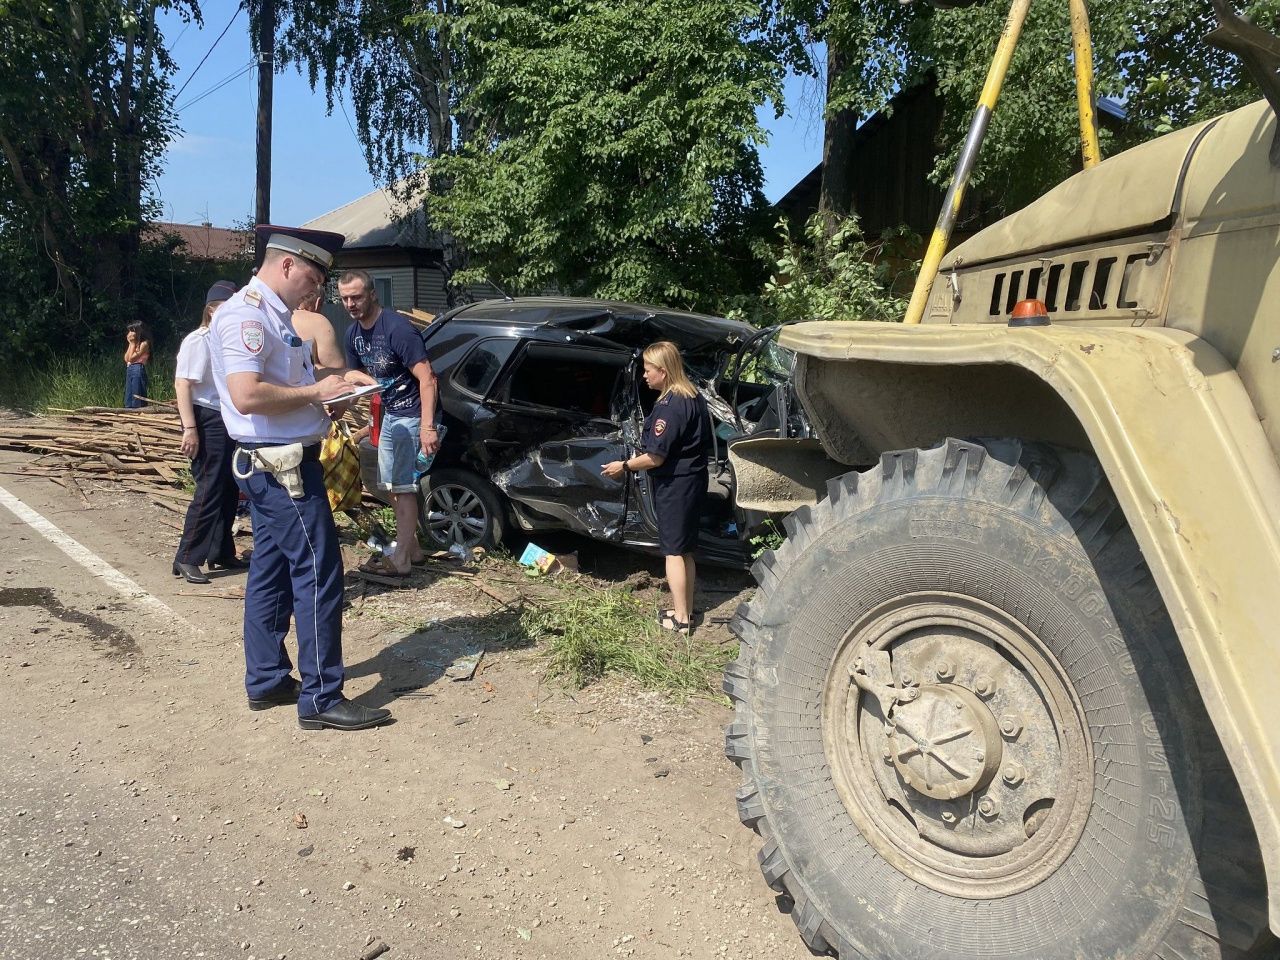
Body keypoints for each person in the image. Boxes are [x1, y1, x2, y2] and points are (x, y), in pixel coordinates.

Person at [208, 225, 391, 732]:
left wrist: (333, 386)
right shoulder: (246, 315)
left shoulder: (276, 315)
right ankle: (321, 696)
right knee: (317, 568)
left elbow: (288, 383)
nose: (316, 292)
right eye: (312, 278)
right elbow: (247, 394)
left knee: (269, 569)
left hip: (281, 461)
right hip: (280, 466)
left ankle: (267, 678)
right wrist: (315, 397)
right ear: (287, 265)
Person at [602, 341, 709, 635]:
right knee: (685, 550)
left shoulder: (669, 408)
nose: (644, 376)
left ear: (663, 370)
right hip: (692, 481)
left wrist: (622, 466)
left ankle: (681, 620)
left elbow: (656, 456)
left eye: (648, 370)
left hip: (676, 486)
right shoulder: (692, 395)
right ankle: (684, 608)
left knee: (673, 552)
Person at [338, 269, 439, 576]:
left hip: (412, 415)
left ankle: (402, 561)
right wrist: (339, 407)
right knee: (391, 488)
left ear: (372, 294)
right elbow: (360, 386)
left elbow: (428, 378)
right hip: (388, 416)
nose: (351, 304)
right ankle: (414, 550)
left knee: (404, 487)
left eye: (356, 297)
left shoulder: (396, 329)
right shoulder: (352, 335)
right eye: (344, 299)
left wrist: (428, 426)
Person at [171, 280, 245, 585]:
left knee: (229, 487)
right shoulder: (198, 340)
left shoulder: (226, 342)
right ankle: (188, 556)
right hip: (207, 418)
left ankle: (220, 550)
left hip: (227, 417)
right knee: (209, 488)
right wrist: (190, 429)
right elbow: (183, 384)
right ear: (212, 310)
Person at [123, 321, 152, 409]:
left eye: (132, 331)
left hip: (138, 368)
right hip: (130, 368)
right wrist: (131, 344)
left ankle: (139, 411)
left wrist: (132, 344)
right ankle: (129, 409)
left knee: (137, 394)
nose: (130, 333)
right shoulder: (134, 343)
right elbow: (127, 359)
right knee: (129, 395)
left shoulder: (144, 344)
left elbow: (132, 359)